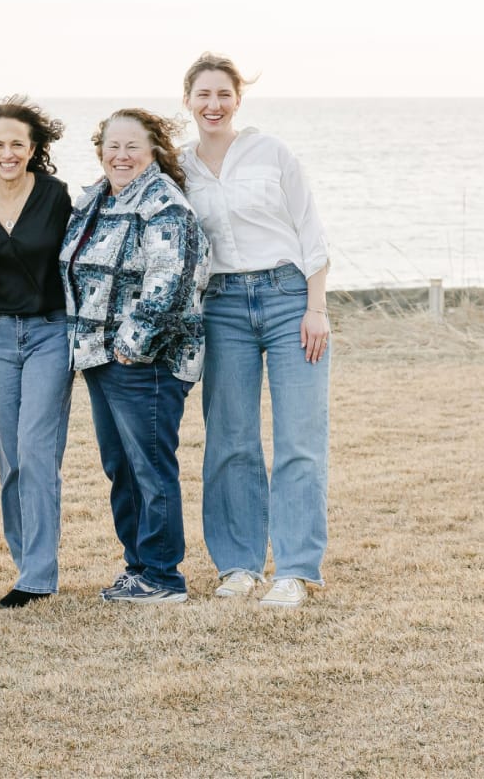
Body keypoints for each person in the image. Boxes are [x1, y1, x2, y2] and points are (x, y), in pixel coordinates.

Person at [179, 52, 331, 609]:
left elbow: (311, 232)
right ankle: (238, 566)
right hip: (220, 306)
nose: (213, 105)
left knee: (299, 438)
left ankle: (293, 569)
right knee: (230, 440)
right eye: (204, 95)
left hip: (290, 298)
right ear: (188, 101)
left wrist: (316, 307)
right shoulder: (180, 167)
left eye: (224, 94)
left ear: (238, 99)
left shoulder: (273, 153)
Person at [59, 108, 209, 604]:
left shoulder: (163, 202)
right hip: (99, 357)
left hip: (145, 363)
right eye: (112, 146)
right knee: (120, 468)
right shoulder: (95, 198)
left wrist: (132, 345)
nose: (120, 156)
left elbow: (170, 280)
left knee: (149, 467)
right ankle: (139, 568)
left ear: (153, 151)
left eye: (132, 147)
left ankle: (164, 576)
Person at [0, 97, 73, 608]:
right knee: (10, 460)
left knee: (36, 450)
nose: (7, 152)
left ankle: (38, 575)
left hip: (50, 331)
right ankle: (29, 564)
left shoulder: (56, 195)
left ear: (33, 147)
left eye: (17, 144)